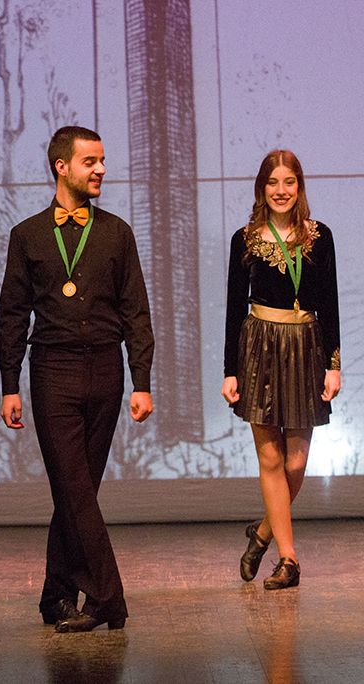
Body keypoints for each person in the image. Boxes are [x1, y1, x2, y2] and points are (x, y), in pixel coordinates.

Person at [0, 126, 154, 633]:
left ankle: (56, 596)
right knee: (75, 488)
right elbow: (12, 316)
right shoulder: (27, 235)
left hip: (106, 370)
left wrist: (142, 380)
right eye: (91, 161)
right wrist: (10, 384)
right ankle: (109, 598)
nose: (101, 169)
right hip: (53, 371)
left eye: (102, 160)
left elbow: (136, 312)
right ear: (62, 166)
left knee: (78, 491)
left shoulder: (116, 232)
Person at [223, 150, 339, 590]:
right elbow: (234, 308)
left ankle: (262, 533)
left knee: (297, 460)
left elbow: (330, 304)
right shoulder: (245, 238)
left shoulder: (319, 236)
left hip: (306, 345)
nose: (281, 190)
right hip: (259, 347)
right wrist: (230, 370)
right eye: (272, 182)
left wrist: (333, 365)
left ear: (299, 186)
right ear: (262, 188)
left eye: (289, 182)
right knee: (270, 457)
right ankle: (289, 560)